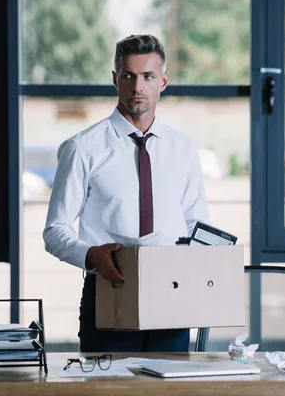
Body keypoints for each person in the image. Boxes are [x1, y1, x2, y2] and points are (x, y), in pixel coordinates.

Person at [43, 34, 210, 352]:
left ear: (163, 81)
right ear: (115, 79)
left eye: (147, 76)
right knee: (109, 388)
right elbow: (54, 231)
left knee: (170, 389)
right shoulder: (83, 148)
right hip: (110, 288)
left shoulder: (183, 148)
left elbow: (195, 225)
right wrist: (90, 256)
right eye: (128, 75)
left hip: (172, 295)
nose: (137, 87)